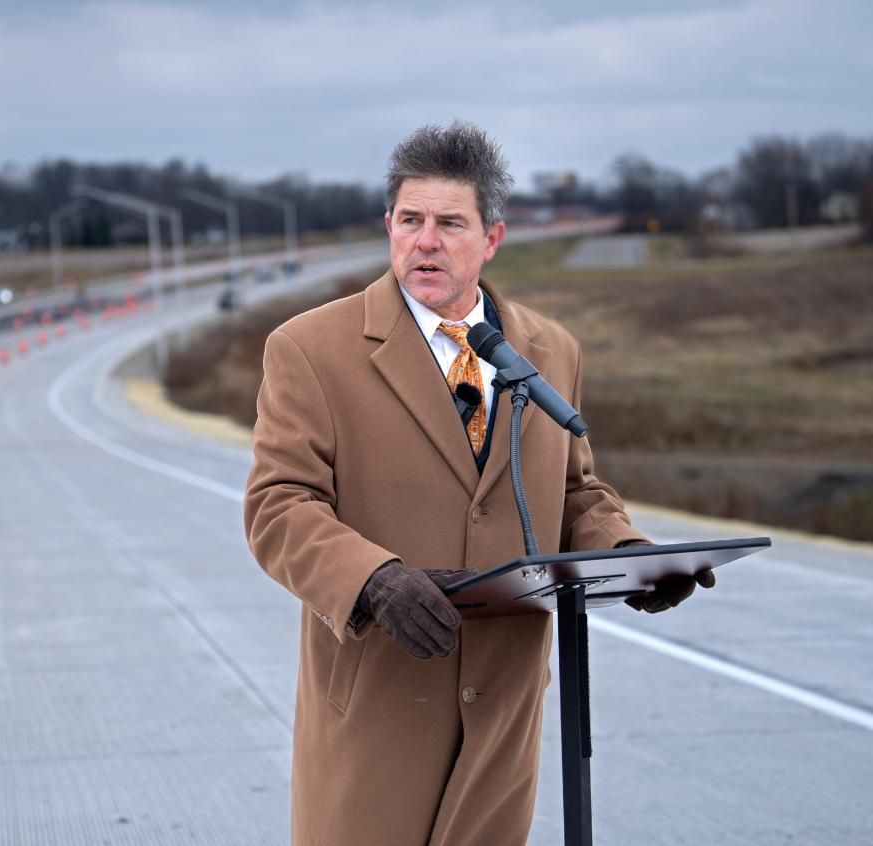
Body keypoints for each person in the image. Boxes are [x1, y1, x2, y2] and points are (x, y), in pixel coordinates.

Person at [243, 122, 712, 846]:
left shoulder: (550, 350)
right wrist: (374, 580)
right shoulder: (309, 350)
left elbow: (575, 492)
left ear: (491, 238)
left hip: (506, 703)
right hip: (380, 700)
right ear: (390, 227)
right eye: (410, 221)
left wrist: (629, 556)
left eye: (449, 223)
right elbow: (278, 506)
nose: (425, 241)